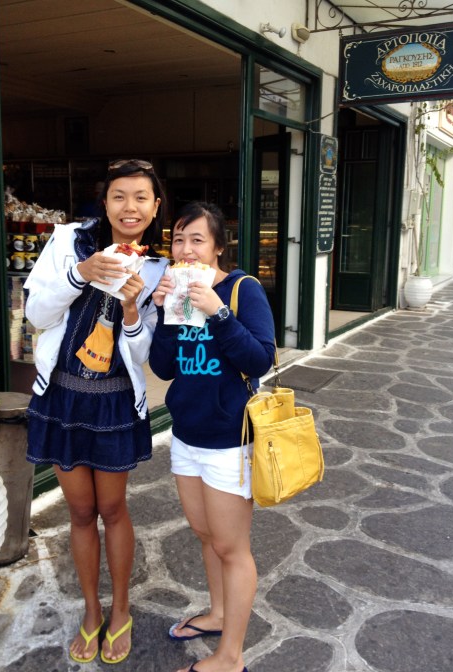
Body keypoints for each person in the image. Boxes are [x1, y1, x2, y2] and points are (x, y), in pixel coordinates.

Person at [24, 159, 168, 665]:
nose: (130, 207)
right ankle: (91, 612)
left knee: (112, 509)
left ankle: (120, 608)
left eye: (141, 198)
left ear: (155, 207)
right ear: (104, 202)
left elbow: (143, 353)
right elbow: (36, 315)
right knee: (81, 512)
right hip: (62, 395)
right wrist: (79, 274)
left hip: (112, 400)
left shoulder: (157, 269)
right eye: (119, 196)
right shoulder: (69, 242)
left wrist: (131, 312)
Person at [149, 202, 275, 672]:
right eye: (179, 240)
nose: (186, 250)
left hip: (229, 441)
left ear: (218, 246)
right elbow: (164, 368)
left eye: (197, 240)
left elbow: (260, 359)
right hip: (186, 435)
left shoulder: (242, 289)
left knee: (232, 548)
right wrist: (162, 312)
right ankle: (219, 614)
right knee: (206, 536)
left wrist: (218, 313)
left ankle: (230, 657)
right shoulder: (176, 291)